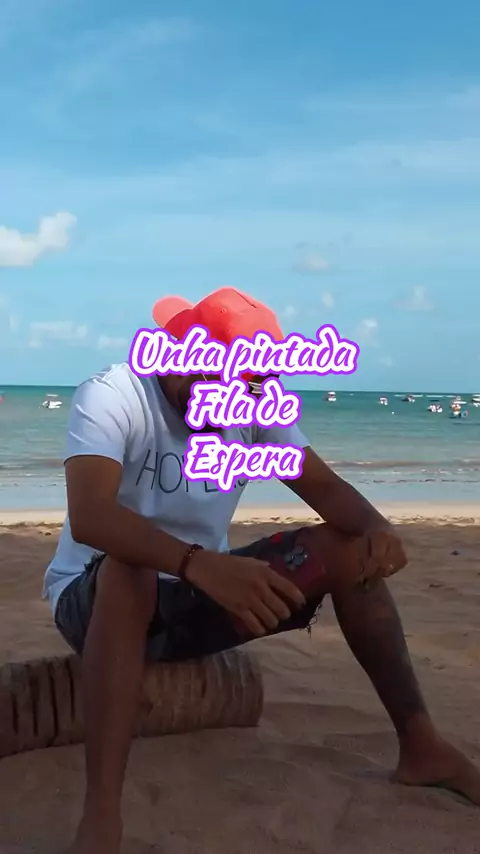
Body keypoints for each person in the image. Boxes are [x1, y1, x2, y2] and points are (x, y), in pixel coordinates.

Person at [43, 288, 480, 854]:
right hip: (97, 599)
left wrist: (377, 528)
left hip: (199, 595)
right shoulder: (113, 396)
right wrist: (198, 564)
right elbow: (91, 518)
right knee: (131, 571)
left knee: (346, 549)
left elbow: (323, 488)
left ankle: (421, 746)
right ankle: (101, 816)